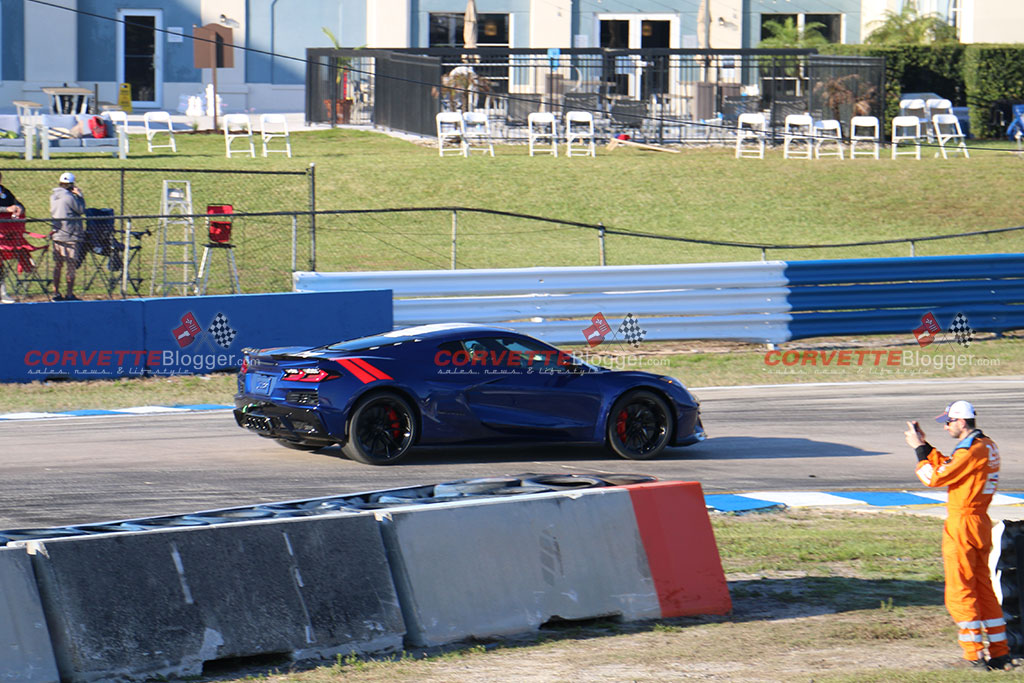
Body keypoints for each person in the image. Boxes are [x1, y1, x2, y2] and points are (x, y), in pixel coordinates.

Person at [904, 400, 1012, 671]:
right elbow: (955, 467)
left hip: (963, 523)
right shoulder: (987, 445)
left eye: (948, 422)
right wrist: (927, 447)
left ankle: (973, 656)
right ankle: (1000, 652)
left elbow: (935, 478)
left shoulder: (970, 449)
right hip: (980, 522)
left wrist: (918, 451)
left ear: (961, 422)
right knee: (983, 588)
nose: (946, 426)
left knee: (960, 589)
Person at [50, 171, 87, 301]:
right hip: (70, 234)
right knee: (71, 265)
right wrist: (80, 196)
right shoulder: (69, 197)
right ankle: (69, 293)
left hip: (57, 233)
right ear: (71, 185)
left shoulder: (54, 196)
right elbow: (81, 209)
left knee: (58, 264)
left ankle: (55, 292)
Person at [0, 170, 26, 303]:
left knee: (1, 264)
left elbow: (16, 203)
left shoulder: (4, 191)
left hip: (5, 235)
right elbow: (6, 208)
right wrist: (5, 210)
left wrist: (19, 207)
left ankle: (3, 293)